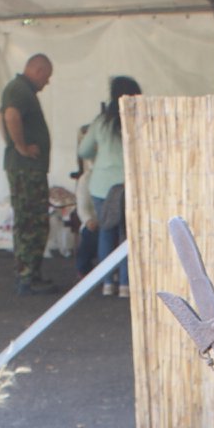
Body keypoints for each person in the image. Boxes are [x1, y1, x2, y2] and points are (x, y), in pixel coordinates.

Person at [77, 76, 139, 298]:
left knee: (106, 232)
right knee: (127, 234)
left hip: (102, 186)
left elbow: (84, 150)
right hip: (129, 184)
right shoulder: (138, 119)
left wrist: (100, 152)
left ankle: (106, 283)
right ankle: (125, 284)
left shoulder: (101, 121)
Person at [0, 54, 56, 295]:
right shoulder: (19, 90)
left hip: (28, 168)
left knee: (33, 221)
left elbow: (3, 118)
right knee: (31, 222)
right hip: (26, 169)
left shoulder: (20, 90)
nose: (47, 82)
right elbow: (10, 116)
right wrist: (20, 147)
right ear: (38, 71)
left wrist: (13, 144)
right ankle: (26, 276)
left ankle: (30, 274)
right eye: (47, 77)